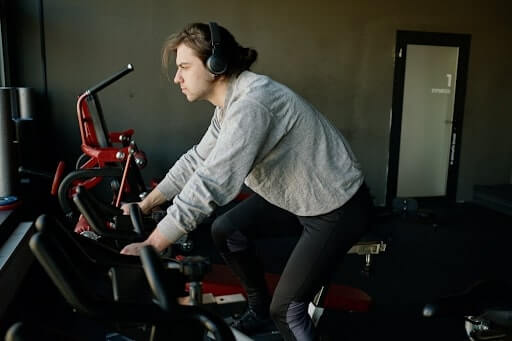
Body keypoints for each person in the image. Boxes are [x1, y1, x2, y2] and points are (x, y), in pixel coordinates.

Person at [120, 22, 373, 341]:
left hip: (338, 207)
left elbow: (212, 182)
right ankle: (258, 308)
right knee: (227, 230)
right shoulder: (230, 105)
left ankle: (273, 312)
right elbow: (196, 161)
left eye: (184, 67)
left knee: (288, 311)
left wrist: (154, 244)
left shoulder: (253, 104)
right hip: (298, 196)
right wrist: (145, 205)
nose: (177, 78)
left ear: (215, 65)